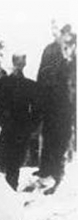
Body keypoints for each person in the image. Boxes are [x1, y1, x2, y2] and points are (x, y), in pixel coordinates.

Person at [0, 52, 41, 190]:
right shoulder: (2, 83)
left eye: (21, 61)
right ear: (13, 62)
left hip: (18, 131)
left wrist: (30, 127)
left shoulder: (29, 85)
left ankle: (9, 193)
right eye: (17, 61)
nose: (19, 64)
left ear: (24, 63)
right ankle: (2, 192)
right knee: (3, 164)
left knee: (13, 167)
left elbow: (38, 110)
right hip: (5, 130)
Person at [37, 28, 76, 191]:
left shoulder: (73, 60)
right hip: (53, 106)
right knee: (50, 139)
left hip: (68, 109)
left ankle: (58, 176)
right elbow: (43, 77)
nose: (66, 47)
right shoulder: (52, 53)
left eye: (69, 43)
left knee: (62, 141)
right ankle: (47, 174)